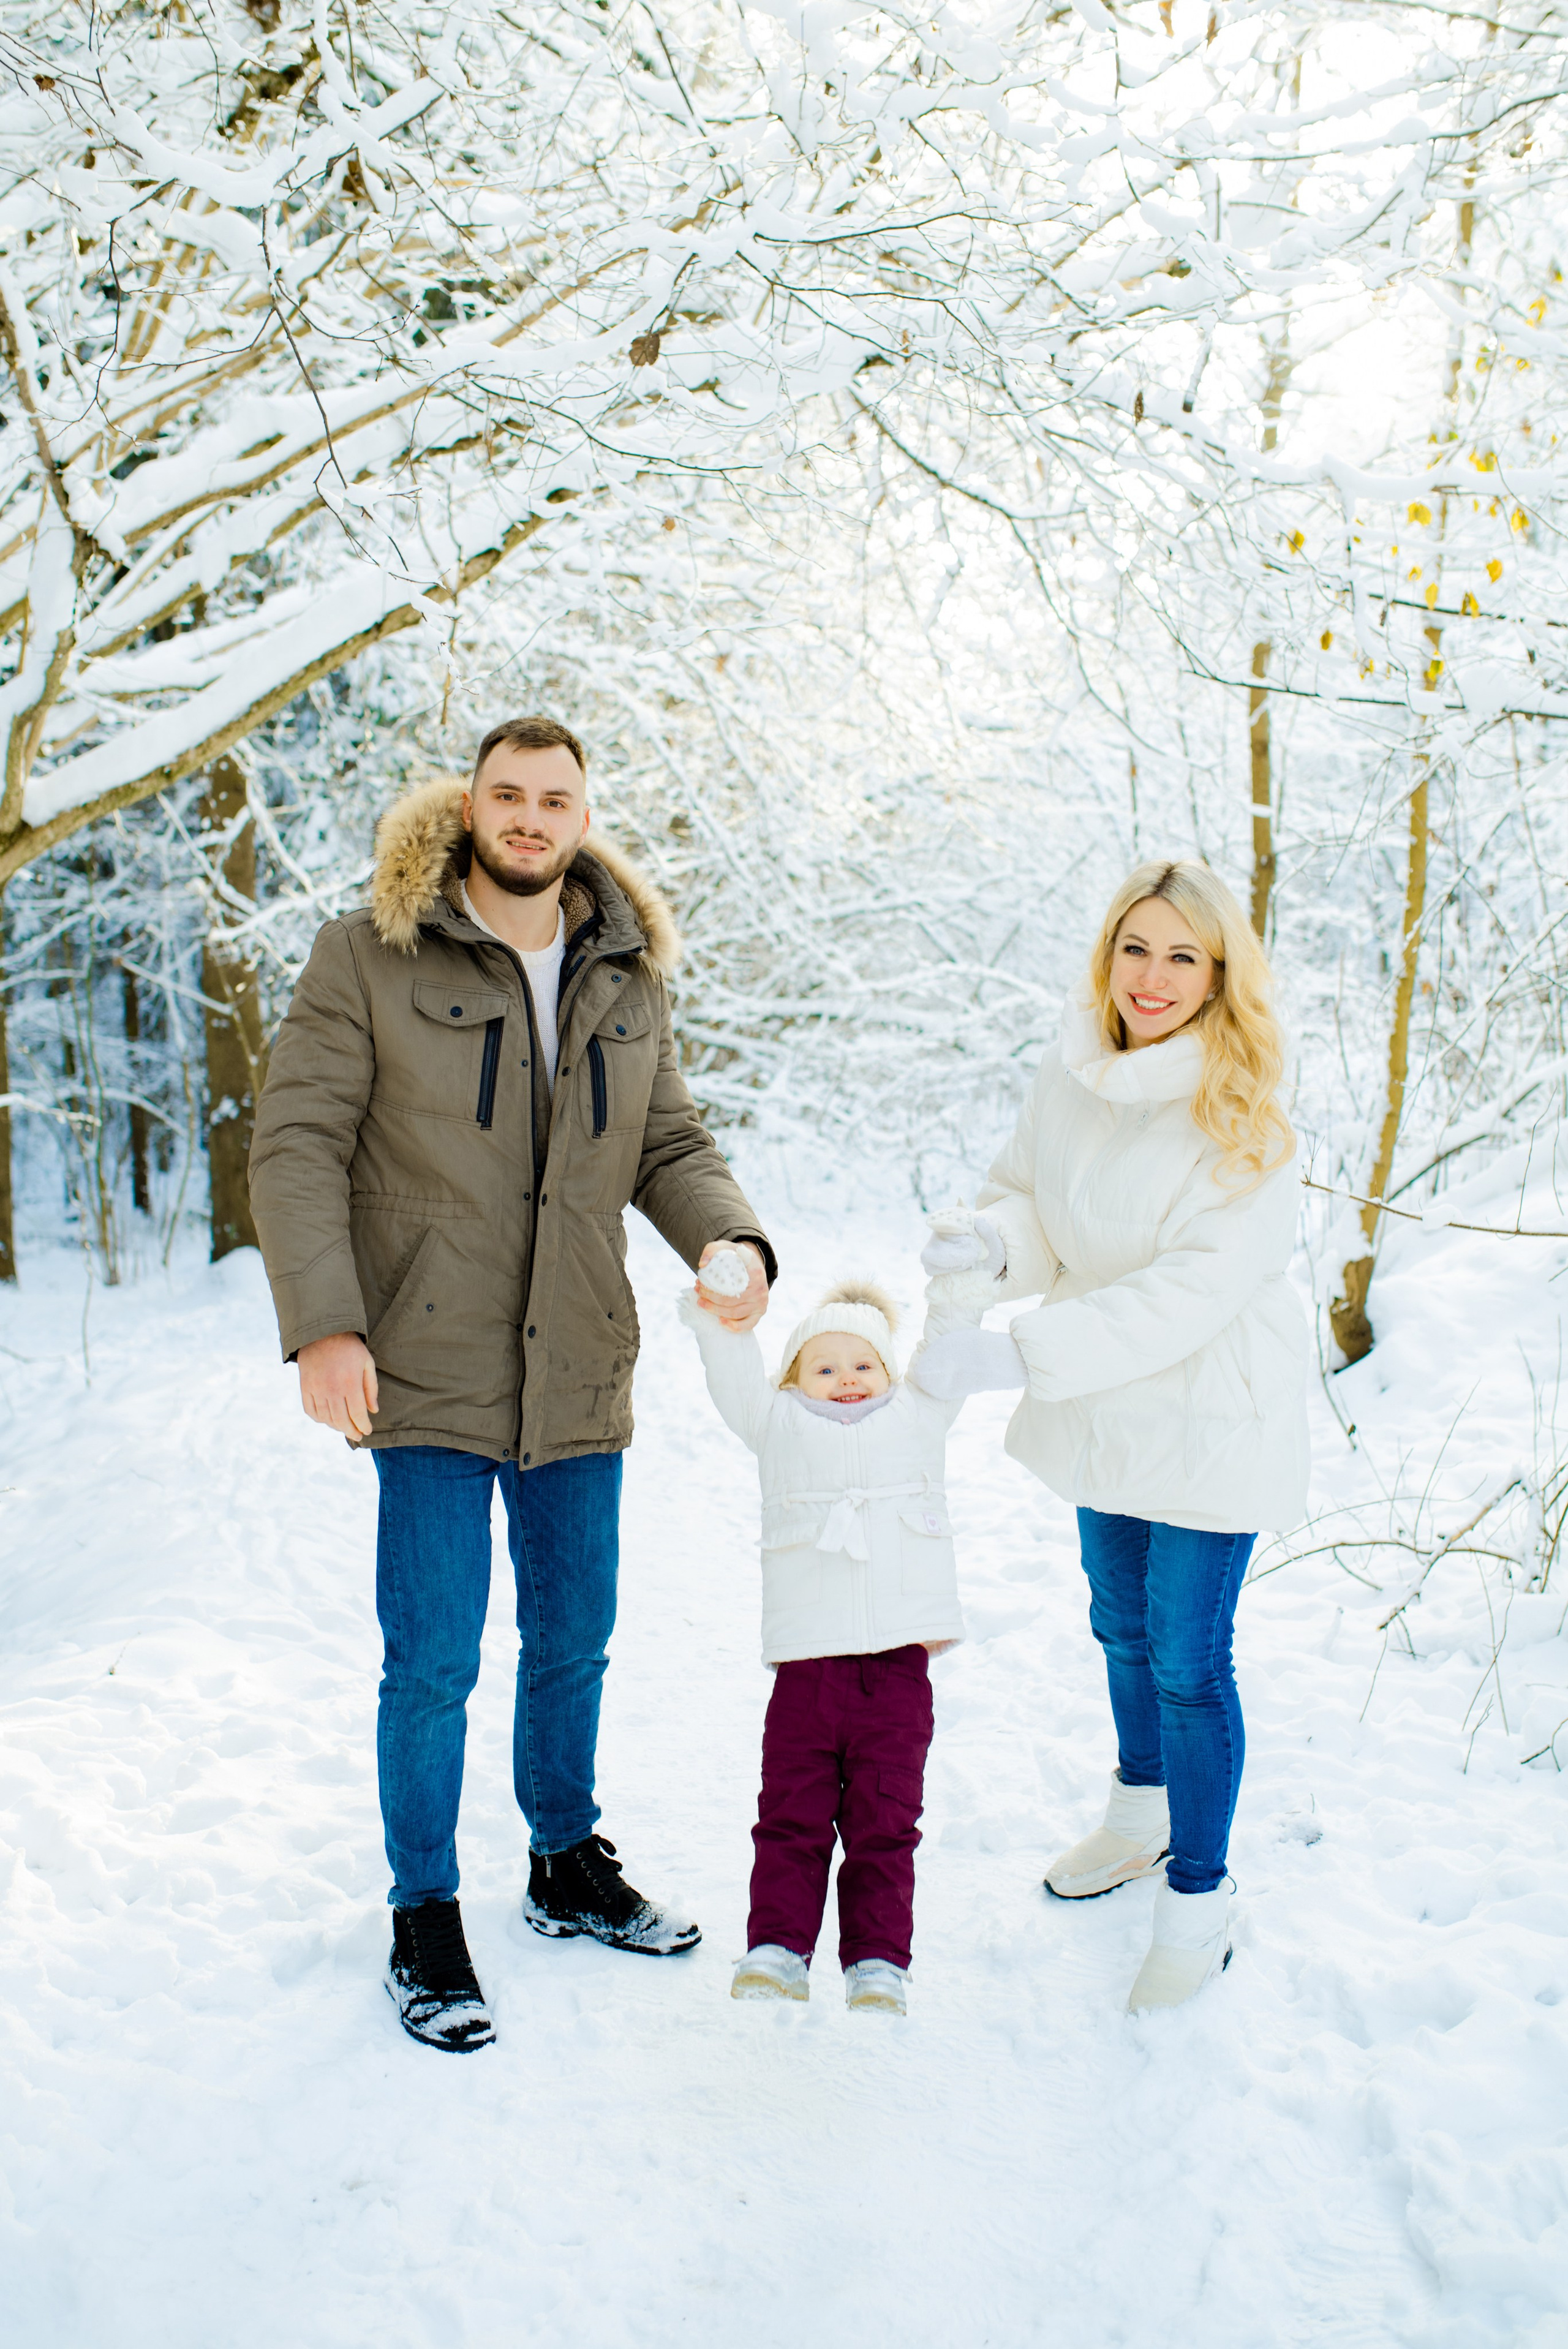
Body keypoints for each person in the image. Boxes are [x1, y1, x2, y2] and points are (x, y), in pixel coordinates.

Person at [248, 715, 775, 2053]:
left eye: (555, 799)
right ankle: (423, 1911)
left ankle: (560, 1859)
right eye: (508, 795)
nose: (530, 818)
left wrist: (728, 1236)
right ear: (469, 805)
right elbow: (297, 1141)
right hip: (420, 1360)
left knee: (572, 1636)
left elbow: (668, 1135)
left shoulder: (624, 969)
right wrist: (324, 1325)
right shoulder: (370, 951)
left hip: (578, 1359)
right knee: (429, 1659)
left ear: (583, 814)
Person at [914, 859, 1308, 2013]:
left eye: (1183, 955)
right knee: (1117, 1620)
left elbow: (1192, 1290)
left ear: (1219, 972)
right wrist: (991, 1248)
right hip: (1107, 1400)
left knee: (1189, 1656)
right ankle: (1140, 1813)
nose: (1154, 976)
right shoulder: (1075, 1067)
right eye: (1137, 948)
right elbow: (1033, 1199)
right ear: (1108, 955)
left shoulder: (1247, 1109)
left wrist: (1021, 1353)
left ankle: (1200, 1894)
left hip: (1208, 1415)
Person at [679, 1259, 984, 2016]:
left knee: (886, 1822)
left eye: (862, 1364)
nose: (845, 1378)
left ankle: (878, 1961)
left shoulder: (916, 1416)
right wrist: (721, 1309)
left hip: (896, 1672)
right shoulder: (775, 1422)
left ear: (888, 1371)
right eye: (823, 1366)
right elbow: (733, 1371)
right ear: (792, 1379)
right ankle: (777, 1949)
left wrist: (964, 1275)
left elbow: (948, 1347)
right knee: (791, 1814)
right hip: (807, 1674)